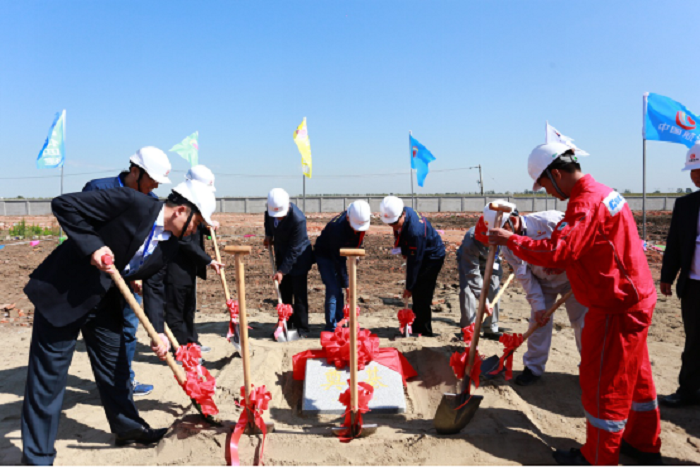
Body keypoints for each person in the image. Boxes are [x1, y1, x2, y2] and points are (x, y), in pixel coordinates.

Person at [489, 142, 662, 465]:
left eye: (543, 184)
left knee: (602, 383)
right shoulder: (602, 192)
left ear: (556, 174)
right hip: (632, 296)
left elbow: (558, 252)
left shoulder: (585, 204)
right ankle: (643, 443)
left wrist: (512, 240)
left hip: (616, 305)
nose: (546, 191)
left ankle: (598, 456)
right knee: (636, 377)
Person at [21, 179, 216, 465]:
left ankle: (127, 427)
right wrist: (94, 247)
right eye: (197, 223)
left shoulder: (170, 245)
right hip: (65, 293)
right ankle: (37, 457)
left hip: (103, 303)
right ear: (182, 211)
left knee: (116, 369)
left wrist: (158, 333)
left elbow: (155, 286)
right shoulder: (132, 202)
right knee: (48, 379)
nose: (196, 231)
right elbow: (64, 204)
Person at [82, 146, 172, 397]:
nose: (155, 186)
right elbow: (82, 229)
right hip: (95, 278)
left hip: (129, 281)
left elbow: (147, 244)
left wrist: (139, 273)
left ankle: (125, 382)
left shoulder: (151, 203)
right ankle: (110, 385)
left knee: (128, 330)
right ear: (135, 171)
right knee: (101, 335)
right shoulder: (98, 189)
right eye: (152, 180)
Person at [500, 207, 588, 386]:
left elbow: (579, 244)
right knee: (538, 321)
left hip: (571, 279)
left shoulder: (550, 220)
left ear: (512, 220)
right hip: (542, 283)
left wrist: (563, 264)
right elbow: (524, 275)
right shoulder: (506, 243)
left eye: (502, 229)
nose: (502, 234)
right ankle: (533, 368)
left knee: (582, 322)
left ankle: (589, 367)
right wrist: (538, 305)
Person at [164, 166, 224, 353]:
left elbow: (194, 231)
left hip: (187, 267)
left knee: (188, 308)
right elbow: (184, 241)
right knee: (176, 310)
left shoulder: (191, 203)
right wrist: (208, 260)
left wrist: (207, 227)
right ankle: (180, 349)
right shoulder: (178, 206)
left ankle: (191, 342)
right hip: (175, 266)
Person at [659, 140, 700, 408]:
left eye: (697, 169)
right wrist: (667, 276)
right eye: (692, 169)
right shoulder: (685, 205)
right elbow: (674, 242)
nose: (693, 174)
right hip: (694, 286)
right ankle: (688, 391)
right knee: (694, 341)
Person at [380, 197, 445, 336]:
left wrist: (409, 287)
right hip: (420, 250)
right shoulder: (405, 212)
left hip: (432, 257)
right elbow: (401, 234)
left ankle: (424, 331)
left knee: (422, 294)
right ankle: (416, 327)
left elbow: (415, 262)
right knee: (417, 291)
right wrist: (404, 249)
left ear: (402, 215)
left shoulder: (416, 231)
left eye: (395, 223)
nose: (393, 226)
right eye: (390, 224)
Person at [263, 188, 314, 337]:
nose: (278, 218)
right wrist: (268, 235)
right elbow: (268, 220)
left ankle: (302, 329)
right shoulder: (271, 209)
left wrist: (281, 271)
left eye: (280, 216)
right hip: (281, 253)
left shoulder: (298, 219)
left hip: (298, 258)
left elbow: (294, 249)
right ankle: (286, 324)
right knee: (284, 293)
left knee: (299, 295)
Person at [314, 200, 371, 331]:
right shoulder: (337, 229)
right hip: (325, 254)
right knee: (334, 288)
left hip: (339, 253)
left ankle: (341, 320)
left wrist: (356, 257)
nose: (357, 229)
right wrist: (347, 285)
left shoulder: (360, 219)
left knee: (340, 284)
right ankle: (332, 327)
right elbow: (338, 261)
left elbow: (358, 241)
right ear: (348, 217)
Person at [457, 211, 505, 340]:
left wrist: (516, 264)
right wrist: (482, 299)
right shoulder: (470, 242)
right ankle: (468, 329)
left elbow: (513, 250)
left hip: (493, 260)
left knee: (494, 289)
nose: (486, 245)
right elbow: (472, 273)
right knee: (467, 291)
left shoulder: (503, 233)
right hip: (470, 261)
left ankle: (490, 328)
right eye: (484, 242)